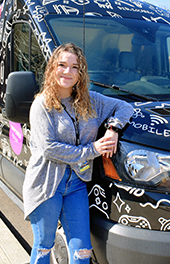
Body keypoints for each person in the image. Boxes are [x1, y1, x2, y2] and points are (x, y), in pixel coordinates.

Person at [23, 43, 134, 263]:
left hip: (76, 184)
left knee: (82, 250)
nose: (68, 71)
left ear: (81, 73)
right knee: (44, 247)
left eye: (75, 67)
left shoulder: (91, 100)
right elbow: (49, 149)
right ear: (52, 68)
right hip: (46, 184)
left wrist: (113, 129)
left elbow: (125, 107)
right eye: (62, 65)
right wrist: (93, 149)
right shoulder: (41, 105)